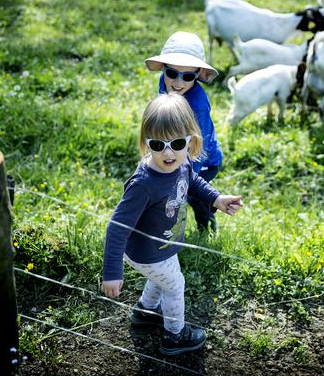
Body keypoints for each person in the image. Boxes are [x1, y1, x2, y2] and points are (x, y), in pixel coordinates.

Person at [101, 93, 243, 356]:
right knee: (175, 285)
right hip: (147, 253)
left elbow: (193, 182)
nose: (168, 152)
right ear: (146, 143)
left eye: (176, 143)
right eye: (158, 144)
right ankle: (175, 336)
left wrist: (217, 199)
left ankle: (145, 311)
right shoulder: (143, 184)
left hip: (163, 247)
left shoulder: (183, 161)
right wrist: (111, 271)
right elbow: (117, 227)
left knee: (162, 281)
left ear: (191, 140)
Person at [145, 31, 222, 233]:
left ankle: (207, 230)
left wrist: (186, 177)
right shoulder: (164, 82)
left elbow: (199, 145)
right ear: (163, 69)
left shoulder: (198, 105)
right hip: (176, 150)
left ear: (198, 74)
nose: (178, 83)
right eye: (172, 73)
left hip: (203, 162)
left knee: (197, 197)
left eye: (187, 76)